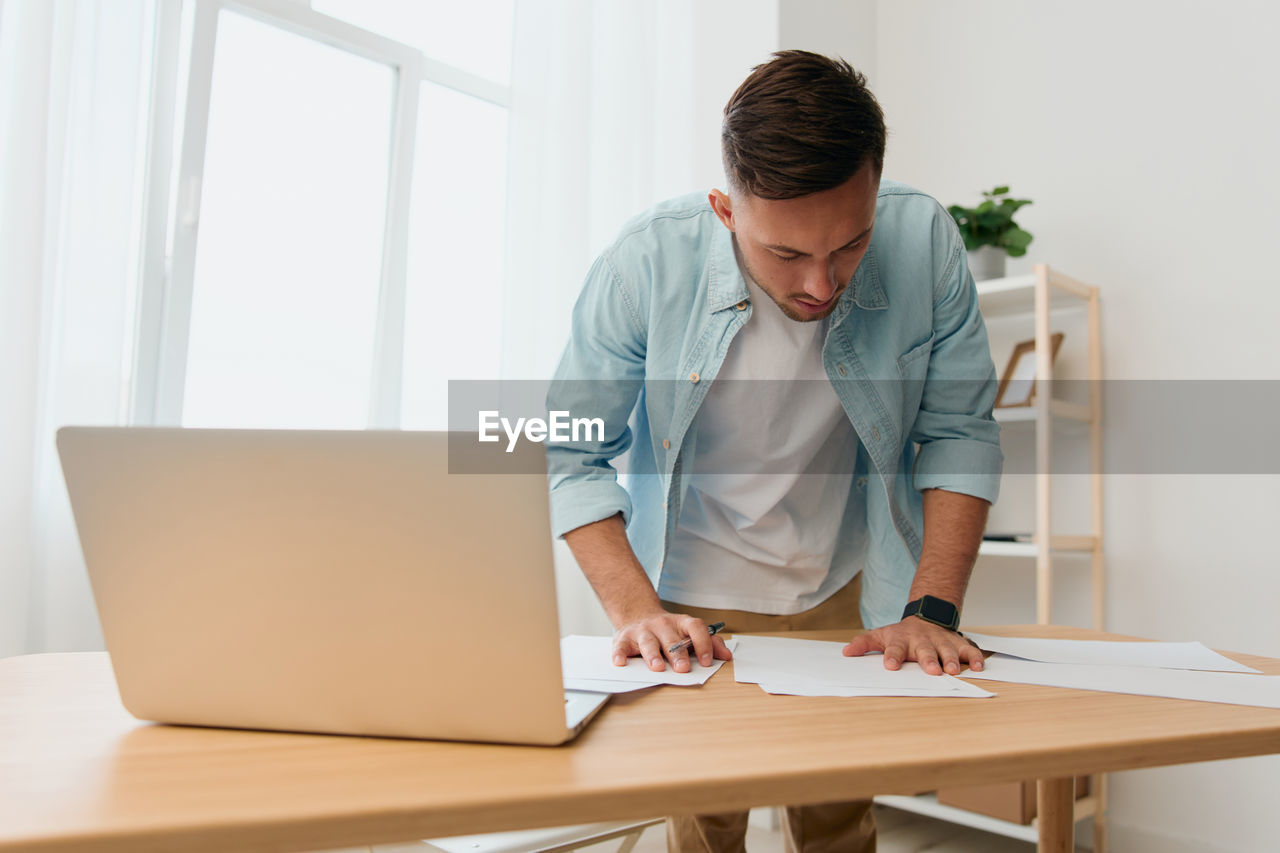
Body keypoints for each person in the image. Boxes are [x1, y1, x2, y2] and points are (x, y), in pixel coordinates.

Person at [545, 50, 1003, 853]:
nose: (823, 285)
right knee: (705, 822)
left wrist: (931, 607)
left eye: (850, 245)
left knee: (837, 820)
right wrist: (636, 610)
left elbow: (961, 429)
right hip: (688, 590)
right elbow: (565, 449)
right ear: (725, 210)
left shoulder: (925, 240)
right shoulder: (645, 262)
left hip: (846, 581)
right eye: (787, 254)